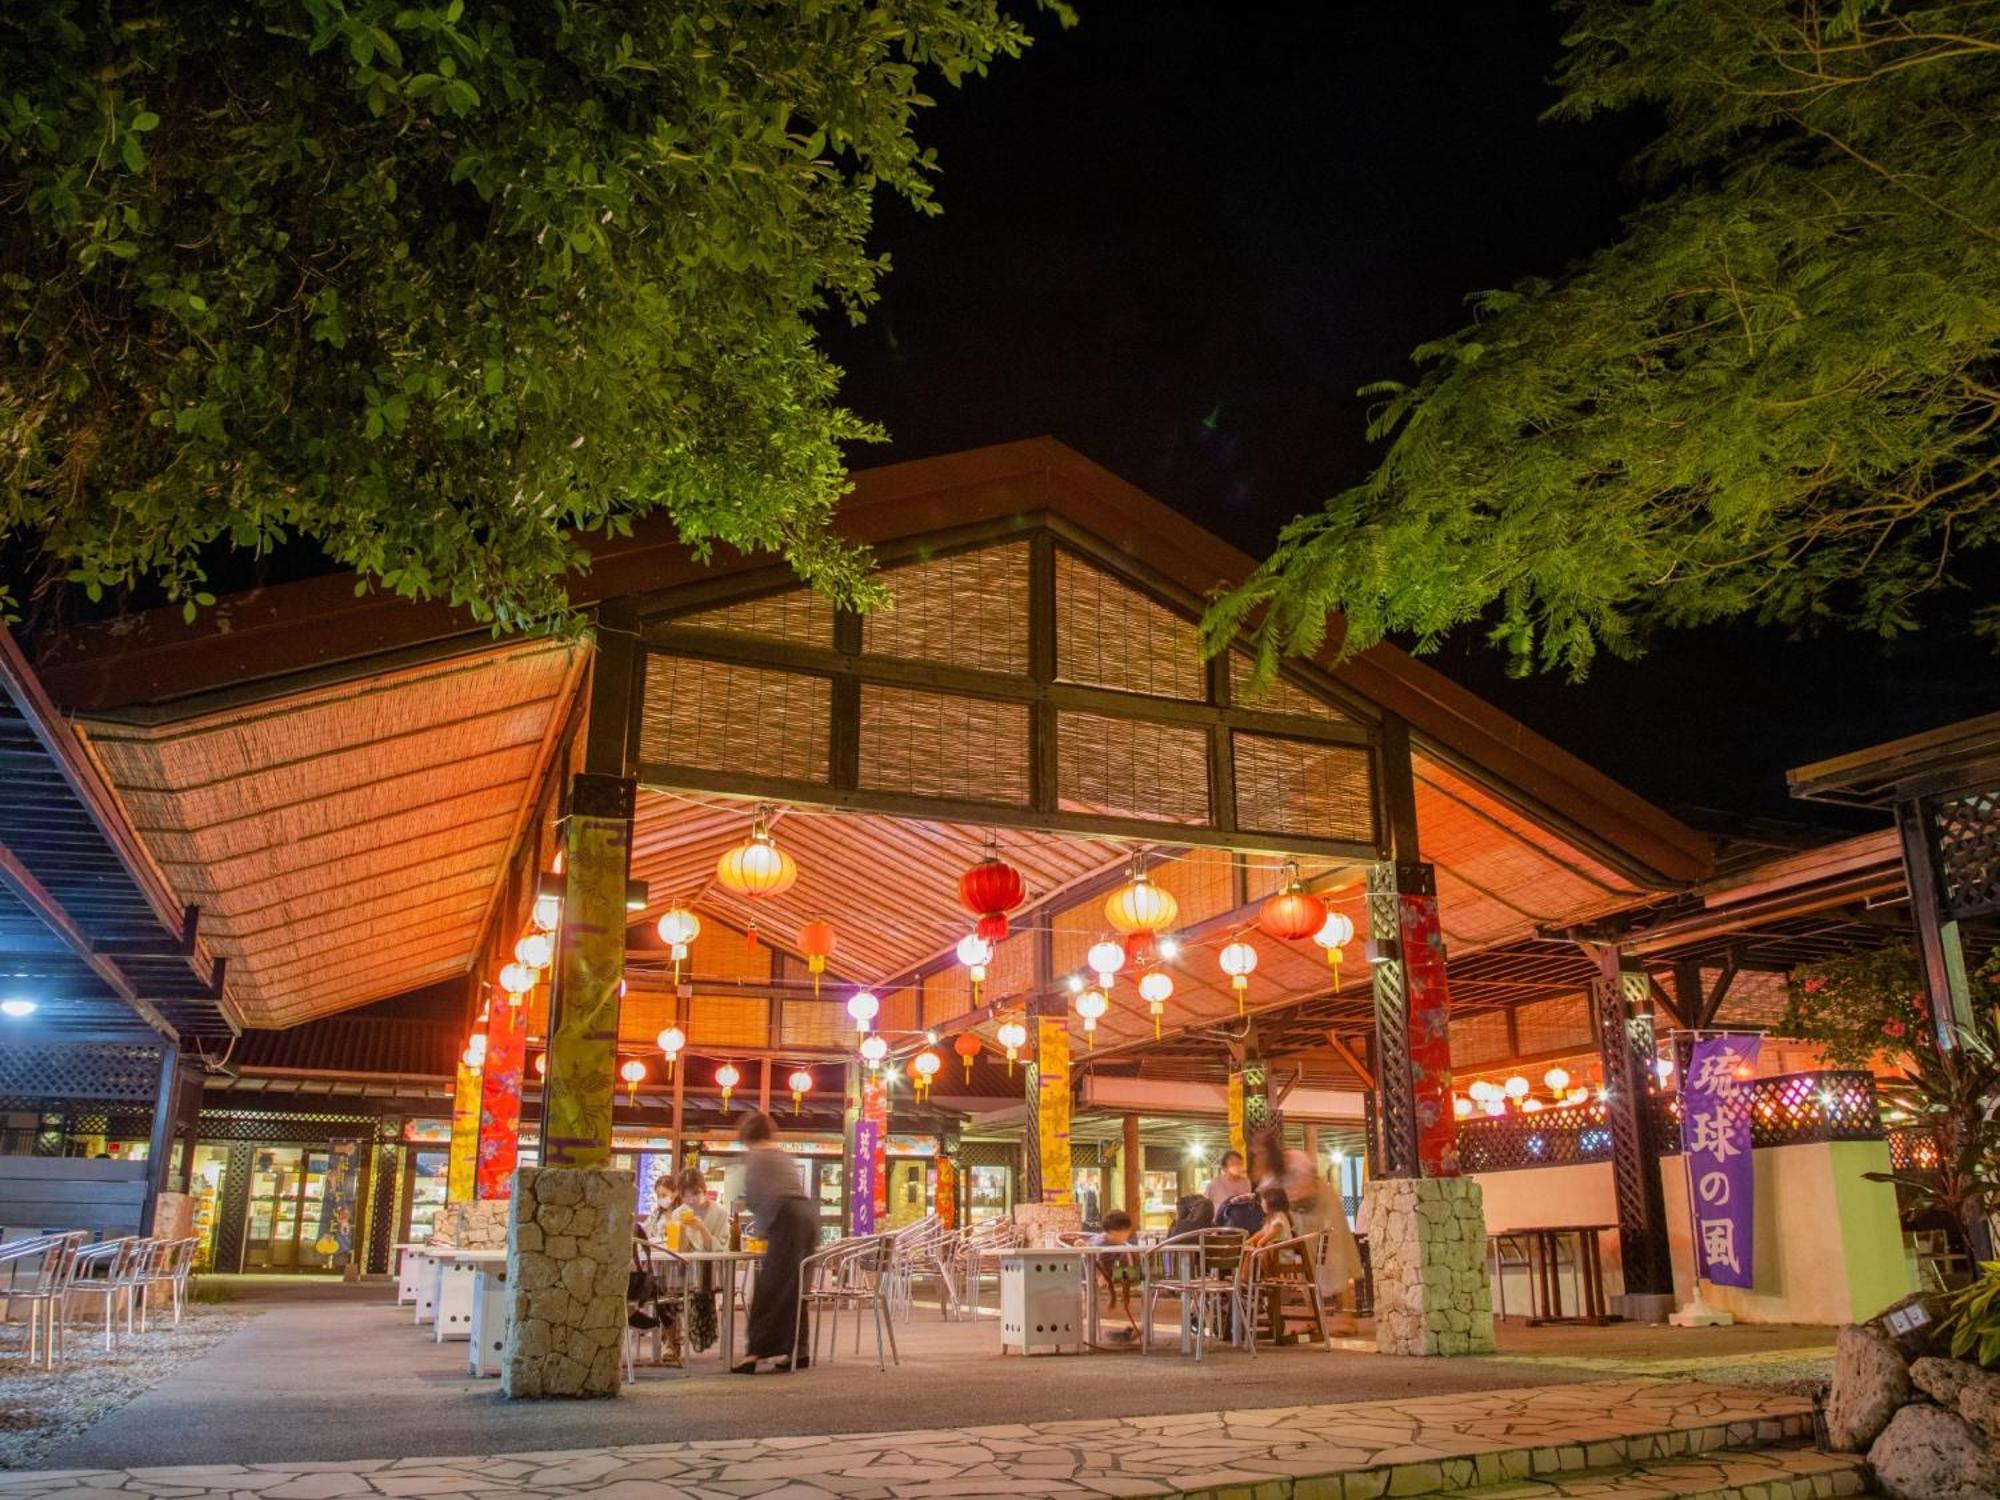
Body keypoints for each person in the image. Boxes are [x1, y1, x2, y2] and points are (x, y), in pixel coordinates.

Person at [1249, 1127, 1362, 1335]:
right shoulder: (1268, 1175)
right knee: (1304, 1265)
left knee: (1334, 1262)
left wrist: (1283, 1199)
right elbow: (1269, 1201)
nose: (1258, 1155)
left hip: (1323, 1210)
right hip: (1298, 1217)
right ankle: (1313, 1318)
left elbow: (1310, 1188)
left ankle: (1347, 1318)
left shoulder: (1294, 1159)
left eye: (1261, 1151)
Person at [734, 1110, 815, 1374]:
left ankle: (754, 1354)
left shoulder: (757, 1156)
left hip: (786, 1219)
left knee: (770, 1287)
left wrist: (759, 1233)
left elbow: (759, 1199)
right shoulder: (781, 1153)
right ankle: (799, 1351)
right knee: (796, 1286)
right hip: (806, 1217)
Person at [1090, 1209, 1142, 1339]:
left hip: (1114, 1270)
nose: (1129, 1234)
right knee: (1107, 1267)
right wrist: (1099, 1276)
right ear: (1114, 1232)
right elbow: (1090, 1259)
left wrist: (1131, 1265)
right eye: (1127, 1231)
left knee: (1128, 1265)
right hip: (1097, 1270)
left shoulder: (1123, 1242)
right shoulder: (1099, 1242)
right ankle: (1114, 1296)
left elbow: (1129, 1254)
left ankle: (1125, 1299)